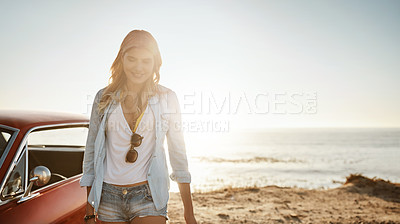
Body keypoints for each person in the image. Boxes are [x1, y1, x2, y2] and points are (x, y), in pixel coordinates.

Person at [80, 30, 197, 224]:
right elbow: (92, 153)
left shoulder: (167, 98)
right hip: (108, 196)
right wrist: (90, 209)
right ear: (122, 59)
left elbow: (178, 155)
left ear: (155, 63)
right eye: (132, 59)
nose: (138, 67)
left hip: (149, 194)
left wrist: (189, 213)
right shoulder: (104, 98)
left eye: (146, 61)